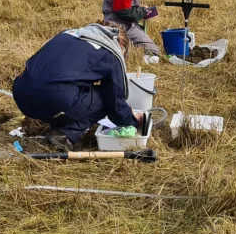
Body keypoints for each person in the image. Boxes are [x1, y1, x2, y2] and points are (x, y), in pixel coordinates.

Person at [12, 22, 143, 149]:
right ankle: (65, 134)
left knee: (70, 90)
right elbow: (115, 103)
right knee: (104, 97)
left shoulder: (68, 34)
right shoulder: (110, 50)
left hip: (22, 96)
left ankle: (58, 123)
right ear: (121, 46)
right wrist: (131, 120)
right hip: (55, 100)